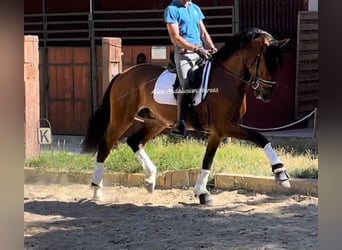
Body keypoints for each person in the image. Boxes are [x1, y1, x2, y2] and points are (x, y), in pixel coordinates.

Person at [164, 0, 217, 138]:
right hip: (184, 54)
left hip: (201, 51)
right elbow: (175, 37)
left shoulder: (195, 8)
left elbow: (204, 33)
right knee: (187, 84)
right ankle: (180, 123)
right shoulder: (172, 9)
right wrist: (196, 49)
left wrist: (212, 49)